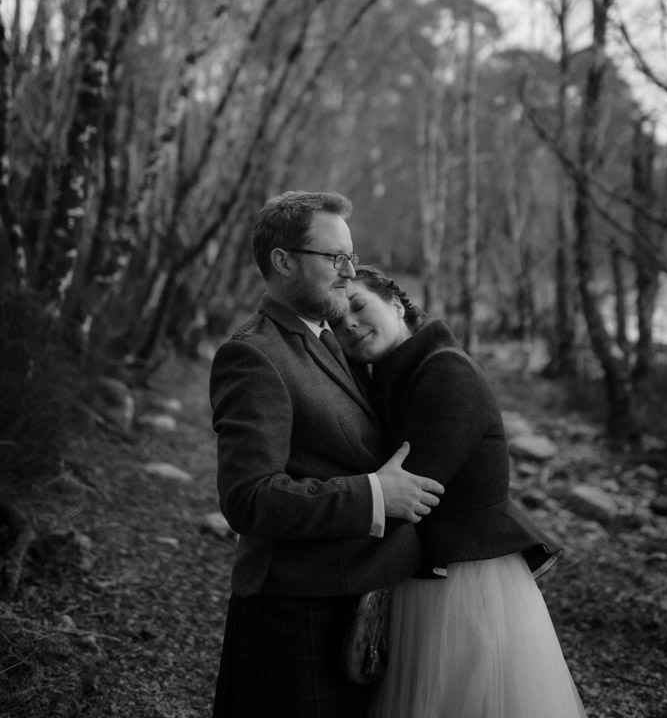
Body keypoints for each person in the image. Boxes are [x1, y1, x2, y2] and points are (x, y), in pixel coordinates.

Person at [209, 191, 444, 718]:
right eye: (335, 258)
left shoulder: (331, 337)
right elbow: (248, 498)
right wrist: (374, 495)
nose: (348, 271)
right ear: (284, 261)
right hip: (295, 611)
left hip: (354, 597)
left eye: (352, 257)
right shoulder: (252, 355)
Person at [332, 265, 588, 718]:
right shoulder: (393, 374)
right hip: (431, 565)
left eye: (358, 305)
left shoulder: (445, 370)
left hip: (468, 578)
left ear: (395, 303)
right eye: (336, 320)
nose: (348, 323)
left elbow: (416, 487)